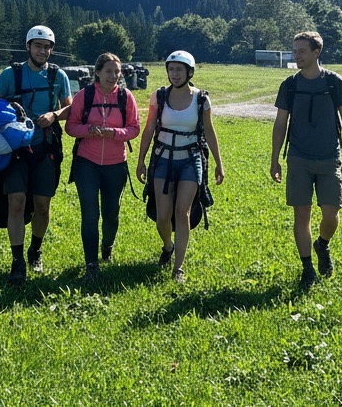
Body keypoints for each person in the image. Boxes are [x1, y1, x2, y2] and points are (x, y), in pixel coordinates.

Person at [269, 31, 342, 291]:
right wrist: (275, 159)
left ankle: (322, 244)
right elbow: (280, 123)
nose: (296, 55)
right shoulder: (290, 85)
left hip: (330, 156)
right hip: (298, 157)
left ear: (316, 52)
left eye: (301, 51)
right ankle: (307, 267)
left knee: (331, 213)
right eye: (294, 51)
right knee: (301, 214)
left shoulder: (334, 82)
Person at [0, 25, 73, 286]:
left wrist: (55, 115)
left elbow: (70, 108)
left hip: (46, 148)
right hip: (16, 150)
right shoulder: (10, 74)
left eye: (47, 47)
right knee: (16, 201)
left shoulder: (59, 77)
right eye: (38, 45)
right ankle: (17, 261)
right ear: (28, 47)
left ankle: (35, 250)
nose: (43, 51)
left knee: (42, 206)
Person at [135, 50, 224, 283]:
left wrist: (218, 163)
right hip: (163, 158)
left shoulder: (202, 99)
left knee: (181, 212)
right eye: (171, 69)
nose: (175, 74)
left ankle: (178, 268)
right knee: (163, 216)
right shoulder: (159, 96)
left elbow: (210, 132)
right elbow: (149, 129)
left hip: (190, 160)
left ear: (189, 72)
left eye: (179, 70)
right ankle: (168, 246)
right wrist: (141, 160)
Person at [64, 53, 141, 283]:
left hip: (116, 165)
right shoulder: (84, 96)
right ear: (97, 72)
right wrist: (88, 130)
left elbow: (134, 128)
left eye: (117, 72)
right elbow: (71, 127)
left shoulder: (126, 97)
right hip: (87, 163)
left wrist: (114, 134)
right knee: (90, 215)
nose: (114, 76)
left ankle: (107, 248)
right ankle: (91, 263)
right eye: (109, 71)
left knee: (111, 214)